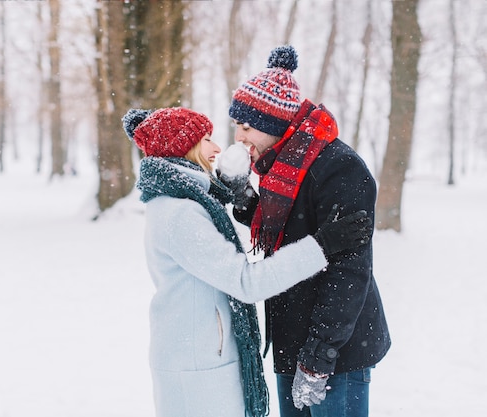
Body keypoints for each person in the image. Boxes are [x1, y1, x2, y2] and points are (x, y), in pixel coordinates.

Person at [121, 106, 373, 417]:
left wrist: (242, 196)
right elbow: (246, 282)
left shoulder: (184, 203)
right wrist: (321, 246)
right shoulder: (181, 214)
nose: (217, 148)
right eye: (207, 139)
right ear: (183, 147)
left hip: (199, 358)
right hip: (197, 368)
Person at [222, 45, 391, 417]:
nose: (239, 136)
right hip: (292, 335)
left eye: (246, 126)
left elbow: (349, 269)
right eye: (237, 125)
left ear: (272, 124)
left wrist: (320, 354)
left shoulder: (339, 169)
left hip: (336, 352)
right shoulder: (279, 166)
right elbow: (285, 232)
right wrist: (244, 195)